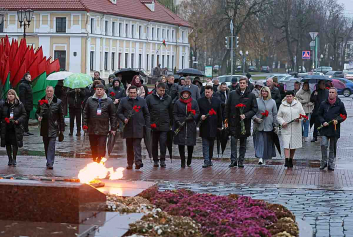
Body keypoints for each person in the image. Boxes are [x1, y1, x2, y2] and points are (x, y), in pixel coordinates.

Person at [226, 76, 258, 168]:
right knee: (233, 142)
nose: (242, 84)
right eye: (241, 83)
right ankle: (233, 161)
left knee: (243, 143)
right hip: (233, 122)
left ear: (247, 84)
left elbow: (254, 108)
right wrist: (226, 119)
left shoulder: (251, 95)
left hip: (245, 122)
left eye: (244, 83)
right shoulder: (232, 94)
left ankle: (241, 161)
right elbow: (227, 107)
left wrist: (246, 115)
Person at [118, 86, 150, 169]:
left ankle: (138, 162)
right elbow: (119, 112)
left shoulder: (142, 101)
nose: (132, 94)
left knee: (137, 145)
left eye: (134, 92)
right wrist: (124, 118)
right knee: (129, 146)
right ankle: (130, 163)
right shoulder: (123, 101)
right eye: (131, 92)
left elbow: (146, 114)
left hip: (138, 126)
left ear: (137, 92)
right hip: (128, 127)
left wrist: (146, 124)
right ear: (128, 92)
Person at [83, 84, 117, 163]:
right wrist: (84, 125)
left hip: (103, 128)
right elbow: (85, 113)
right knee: (93, 147)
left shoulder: (108, 101)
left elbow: (113, 115)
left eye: (101, 89)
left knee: (101, 147)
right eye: (97, 89)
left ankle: (100, 161)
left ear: (104, 91)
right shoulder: (90, 100)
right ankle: (95, 160)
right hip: (92, 128)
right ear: (95, 90)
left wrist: (113, 128)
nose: (99, 91)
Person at [317, 87, 347, 171]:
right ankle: (323, 162)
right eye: (330, 92)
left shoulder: (340, 104)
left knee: (332, 147)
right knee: (323, 144)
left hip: (334, 129)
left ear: (336, 94)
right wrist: (323, 122)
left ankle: (331, 163)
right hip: (325, 129)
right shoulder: (323, 103)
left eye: (333, 92)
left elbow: (344, 115)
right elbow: (319, 114)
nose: (331, 93)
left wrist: (338, 120)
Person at [36, 86, 65, 169]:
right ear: (46, 92)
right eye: (48, 91)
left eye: (51, 91)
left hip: (54, 127)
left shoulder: (58, 102)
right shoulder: (41, 102)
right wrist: (38, 117)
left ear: (53, 92)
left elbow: (61, 116)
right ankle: (48, 160)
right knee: (46, 145)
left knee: (51, 146)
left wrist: (61, 129)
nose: (49, 92)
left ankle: (50, 163)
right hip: (44, 127)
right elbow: (37, 112)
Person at [146, 83, 172, 168]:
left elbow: (171, 111)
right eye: (161, 90)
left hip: (164, 124)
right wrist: (149, 123)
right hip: (153, 125)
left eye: (164, 90)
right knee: (154, 144)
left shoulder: (168, 98)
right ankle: (155, 160)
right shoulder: (150, 98)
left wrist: (170, 123)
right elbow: (146, 112)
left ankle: (163, 160)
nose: (162, 92)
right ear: (157, 89)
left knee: (163, 143)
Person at [277, 91, 305, 168]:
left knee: (293, 146)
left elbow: (303, 115)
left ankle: (290, 159)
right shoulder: (282, 105)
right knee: (286, 144)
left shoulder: (298, 104)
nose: (289, 98)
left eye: (290, 96)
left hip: (296, 128)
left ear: (293, 97)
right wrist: (282, 122)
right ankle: (286, 160)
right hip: (286, 128)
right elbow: (279, 116)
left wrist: (299, 119)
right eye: (287, 96)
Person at [173, 88, 200, 168]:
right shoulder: (178, 102)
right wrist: (178, 121)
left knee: (190, 143)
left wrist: (192, 117)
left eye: (186, 93)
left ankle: (189, 159)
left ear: (189, 94)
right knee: (181, 143)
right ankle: (182, 161)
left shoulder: (194, 102)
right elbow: (174, 113)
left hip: (190, 124)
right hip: (181, 124)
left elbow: (197, 112)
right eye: (184, 93)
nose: (185, 95)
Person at [197, 85, 222, 168]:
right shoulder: (200, 101)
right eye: (205, 92)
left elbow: (219, 113)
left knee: (211, 144)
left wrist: (219, 125)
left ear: (212, 92)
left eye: (208, 92)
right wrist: (201, 116)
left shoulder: (217, 101)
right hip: (204, 125)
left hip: (214, 126)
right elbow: (197, 112)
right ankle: (206, 160)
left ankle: (210, 159)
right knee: (205, 144)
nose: (207, 93)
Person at [0, 89, 26, 166]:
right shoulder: (3, 104)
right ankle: (9, 159)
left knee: (15, 144)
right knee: (8, 144)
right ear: (7, 96)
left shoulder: (19, 104)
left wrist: (18, 120)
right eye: (9, 94)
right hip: (6, 127)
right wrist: (3, 121)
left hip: (16, 127)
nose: (10, 95)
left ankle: (14, 158)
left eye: (12, 94)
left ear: (15, 96)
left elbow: (24, 114)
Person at [252, 86, 277, 165]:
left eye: (265, 91)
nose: (264, 93)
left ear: (268, 92)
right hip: (259, 124)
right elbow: (253, 111)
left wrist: (275, 125)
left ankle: (266, 157)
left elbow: (275, 114)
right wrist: (255, 118)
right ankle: (260, 157)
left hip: (269, 124)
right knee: (259, 141)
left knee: (267, 142)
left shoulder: (272, 102)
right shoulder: (256, 101)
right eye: (262, 91)